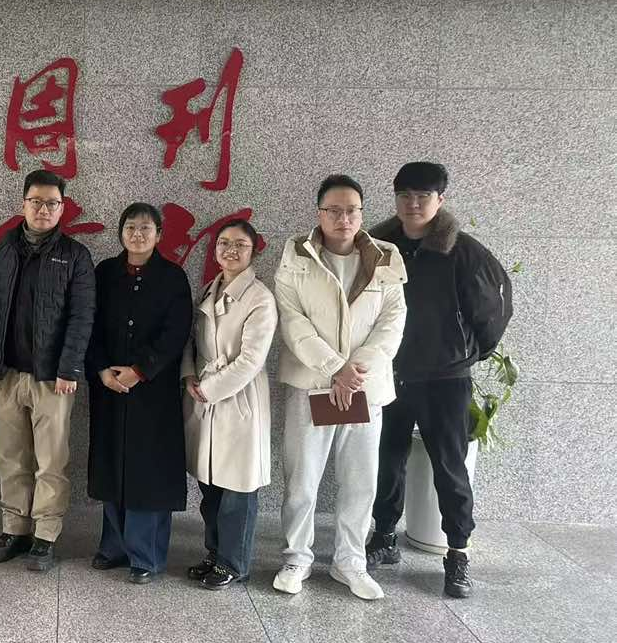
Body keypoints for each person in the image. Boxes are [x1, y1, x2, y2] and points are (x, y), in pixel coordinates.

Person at [367, 162, 513, 598]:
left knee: (449, 466)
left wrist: (465, 354)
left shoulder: (463, 251)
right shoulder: (378, 246)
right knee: (385, 459)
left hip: (445, 379)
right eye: (405, 195)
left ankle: (457, 552)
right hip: (390, 373)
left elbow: (493, 312)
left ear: (440, 199)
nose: (413, 204)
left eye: (423, 196)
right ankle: (384, 536)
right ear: (396, 198)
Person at [273, 174, 407, 600]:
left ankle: (350, 561)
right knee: (302, 478)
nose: (342, 218)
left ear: (361, 214)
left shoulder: (386, 257)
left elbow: (392, 322)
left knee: (360, 480)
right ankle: (297, 556)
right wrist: (334, 368)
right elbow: (293, 322)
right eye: (333, 210)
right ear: (319, 213)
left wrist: (354, 371)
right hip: (313, 384)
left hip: (364, 387)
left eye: (351, 210)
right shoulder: (296, 253)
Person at [0, 169, 96, 572]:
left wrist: (70, 368)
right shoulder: (4, 248)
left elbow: (82, 316)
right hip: (7, 373)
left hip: (53, 378)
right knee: (10, 457)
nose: (43, 209)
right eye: (36, 201)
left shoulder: (75, 255)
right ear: (23, 204)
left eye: (52, 203)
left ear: (63, 209)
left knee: (50, 461)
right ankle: (14, 528)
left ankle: (45, 534)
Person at [87, 203, 192, 584]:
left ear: (159, 234)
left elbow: (176, 332)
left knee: (148, 471)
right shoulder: (105, 273)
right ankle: (113, 546)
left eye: (146, 228)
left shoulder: (173, 277)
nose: (137, 234)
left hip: (153, 390)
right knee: (113, 465)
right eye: (130, 227)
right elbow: (89, 323)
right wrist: (101, 368)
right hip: (109, 386)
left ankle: (145, 555)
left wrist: (140, 371)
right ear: (120, 232)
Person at [182, 219, 278, 590]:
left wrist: (209, 388)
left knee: (238, 489)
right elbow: (191, 341)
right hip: (204, 397)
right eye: (223, 243)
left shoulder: (260, 298)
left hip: (238, 401)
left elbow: (251, 360)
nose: (230, 250)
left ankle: (234, 563)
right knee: (211, 485)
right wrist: (189, 376)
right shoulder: (209, 289)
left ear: (253, 251)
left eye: (240, 244)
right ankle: (215, 553)